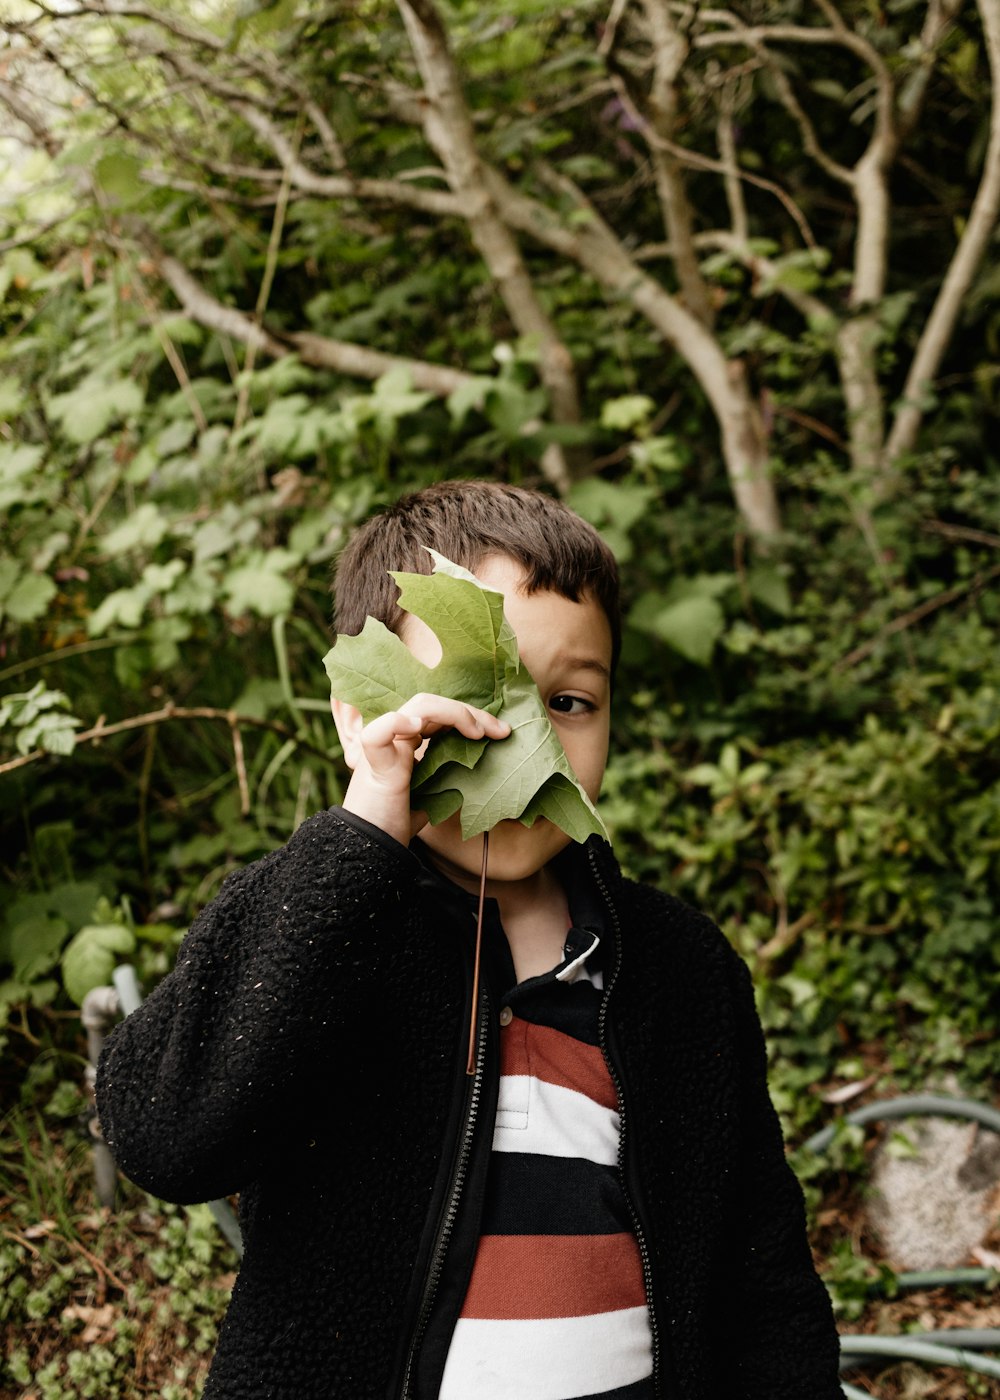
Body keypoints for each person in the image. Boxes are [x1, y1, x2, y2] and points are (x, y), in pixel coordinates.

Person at [97, 480, 843, 1400]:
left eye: (569, 703)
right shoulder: (318, 935)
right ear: (358, 711)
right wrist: (359, 840)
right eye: (471, 698)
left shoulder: (679, 970)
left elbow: (761, 1278)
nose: (519, 741)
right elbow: (166, 1136)